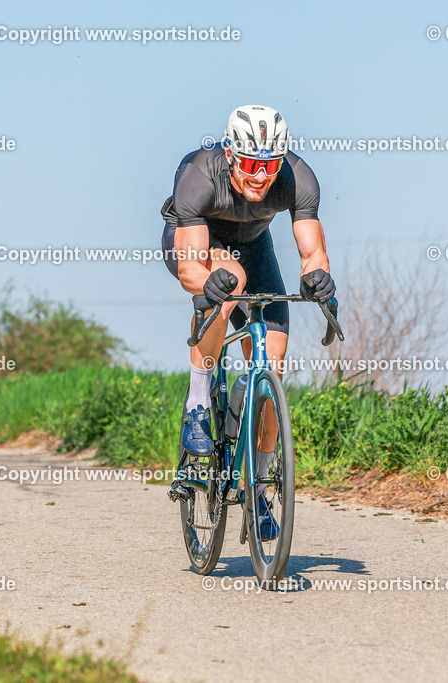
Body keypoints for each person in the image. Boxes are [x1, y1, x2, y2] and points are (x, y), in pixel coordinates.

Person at [160, 105, 336, 539]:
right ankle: (199, 406)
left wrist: (317, 278)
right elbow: (189, 268)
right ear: (230, 155)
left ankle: (257, 489)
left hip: (256, 247)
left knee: (272, 366)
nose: (261, 177)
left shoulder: (298, 177)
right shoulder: (199, 174)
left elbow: (313, 253)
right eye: (252, 165)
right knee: (230, 281)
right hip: (199, 244)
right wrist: (208, 282)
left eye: (270, 166)